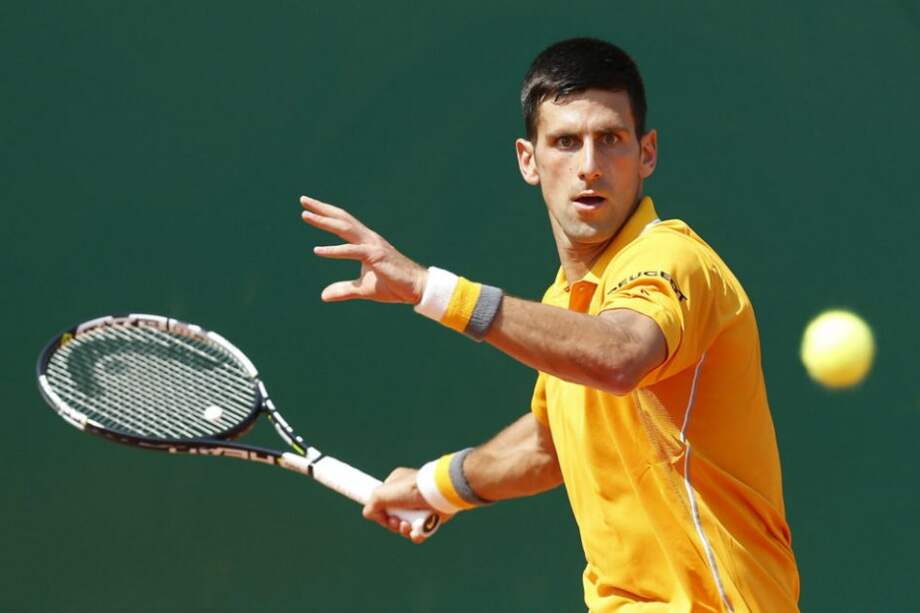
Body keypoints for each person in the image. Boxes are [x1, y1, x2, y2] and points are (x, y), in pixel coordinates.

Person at [299, 37, 800, 612]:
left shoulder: (673, 258)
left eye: (610, 139)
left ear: (647, 154)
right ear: (528, 160)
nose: (589, 166)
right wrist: (435, 487)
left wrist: (429, 290)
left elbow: (620, 356)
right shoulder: (563, 302)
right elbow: (550, 444)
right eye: (566, 142)